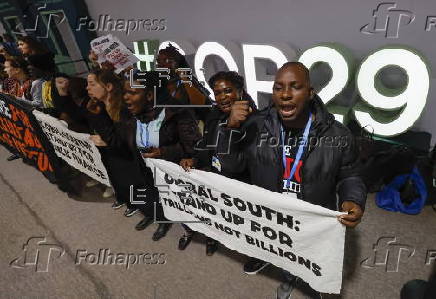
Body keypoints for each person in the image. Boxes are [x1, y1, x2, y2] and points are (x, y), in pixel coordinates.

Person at [216, 62, 367, 299]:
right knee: (281, 252)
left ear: (310, 92)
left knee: (313, 255)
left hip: (312, 215)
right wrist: (230, 129)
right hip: (272, 214)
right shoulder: (256, 125)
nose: (285, 94)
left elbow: (351, 174)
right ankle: (287, 277)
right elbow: (231, 166)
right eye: (278, 88)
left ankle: (314, 283)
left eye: (295, 87)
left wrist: (352, 199)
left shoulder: (338, 135)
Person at [86, 70, 201, 241]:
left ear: (149, 95)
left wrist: (163, 152)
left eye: (132, 92)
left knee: (185, 210)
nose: (125, 97)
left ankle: (191, 232)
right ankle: (163, 220)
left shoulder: (176, 112)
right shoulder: (129, 114)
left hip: (177, 177)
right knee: (159, 202)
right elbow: (119, 142)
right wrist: (100, 117)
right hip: (147, 175)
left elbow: (194, 148)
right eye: (125, 92)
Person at [179, 71, 256, 255]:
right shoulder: (214, 115)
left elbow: (236, 165)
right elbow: (207, 144)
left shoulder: (257, 121)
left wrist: (231, 128)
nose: (222, 97)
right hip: (215, 179)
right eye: (217, 93)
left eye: (227, 91)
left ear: (240, 91)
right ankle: (212, 237)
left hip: (240, 188)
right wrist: (195, 158)